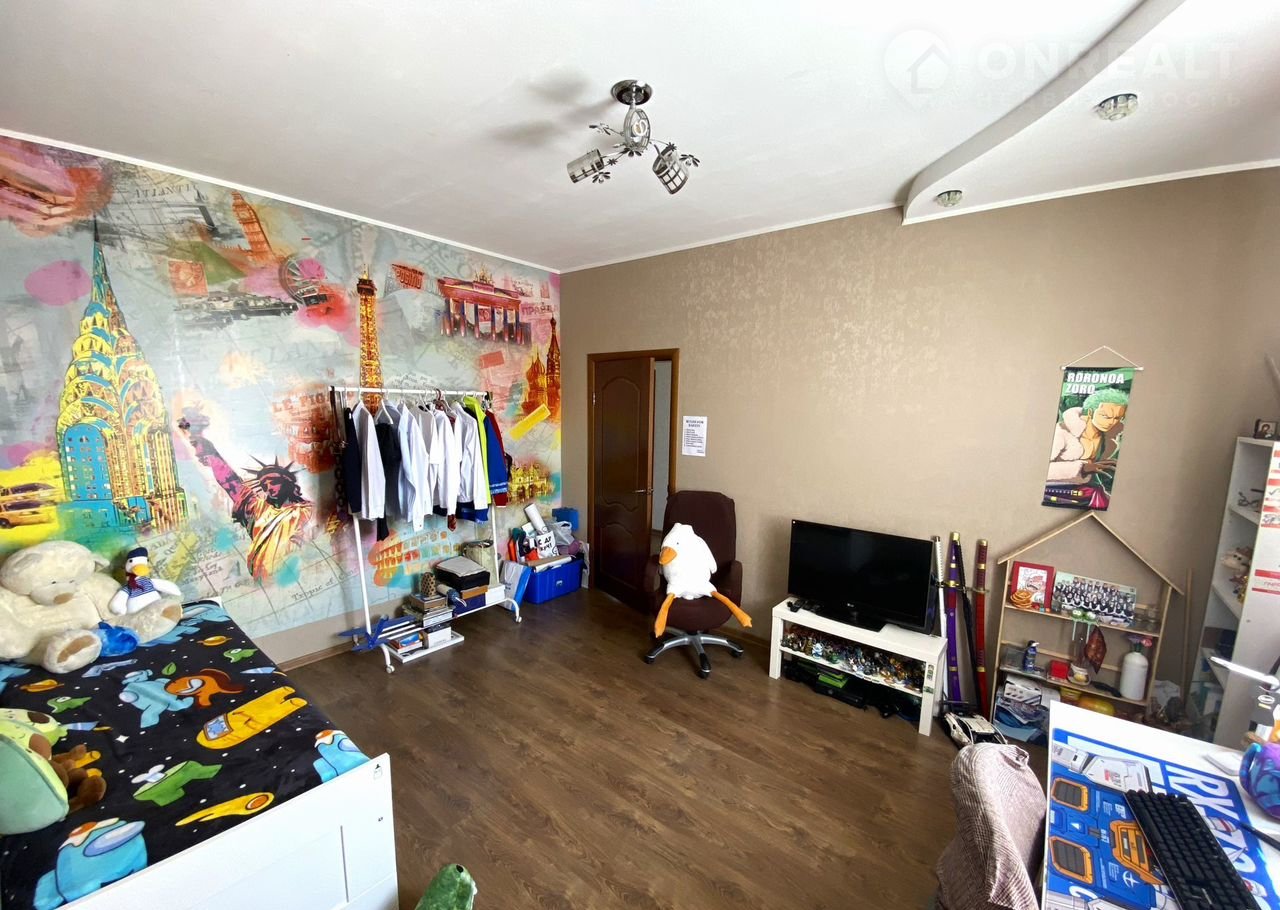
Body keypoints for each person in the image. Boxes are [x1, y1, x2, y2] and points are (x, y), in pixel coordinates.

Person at [179, 413, 313, 580]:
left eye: (274, 482)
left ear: (287, 483)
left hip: (296, 577)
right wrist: (212, 454)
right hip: (263, 578)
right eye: (265, 486)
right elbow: (232, 484)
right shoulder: (260, 509)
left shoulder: (308, 510)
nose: (269, 488)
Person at [1045, 387, 1129, 508]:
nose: (1112, 422)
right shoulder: (1062, 432)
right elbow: (1042, 470)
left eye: (1117, 418)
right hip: (1054, 491)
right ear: (1090, 412)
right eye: (1106, 416)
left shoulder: (1109, 441)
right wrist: (1082, 468)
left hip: (1086, 492)